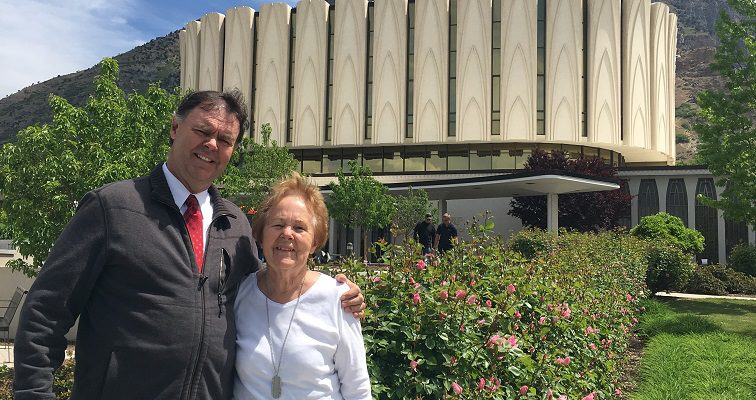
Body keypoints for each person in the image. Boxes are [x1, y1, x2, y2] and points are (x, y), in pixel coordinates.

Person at [13, 90, 364, 400]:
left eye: (225, 139)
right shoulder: (113, 207)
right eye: (203, 131)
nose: (212, 145)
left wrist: (335, 294)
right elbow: (45, 315)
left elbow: (265, 291)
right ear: (175, 128)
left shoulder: (237, 224)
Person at [234, 173, 371, 399]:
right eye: (278, 224)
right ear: (260, 234)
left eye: (299, 228)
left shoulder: (338, 299)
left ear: (315, 241)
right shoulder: (242, 293)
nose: (287, 234)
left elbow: (357, 390)